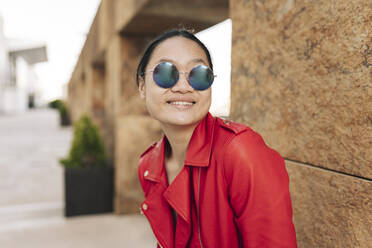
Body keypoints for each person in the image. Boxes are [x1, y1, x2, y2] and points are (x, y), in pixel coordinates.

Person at [136, 28, 297, 248]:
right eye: (165, 72)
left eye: (199, 74)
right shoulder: (149, 167)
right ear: (142, 86)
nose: (183, 87)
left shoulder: (242, 152)